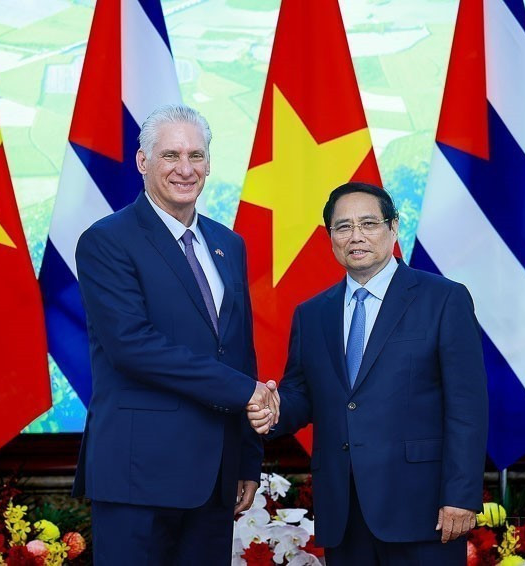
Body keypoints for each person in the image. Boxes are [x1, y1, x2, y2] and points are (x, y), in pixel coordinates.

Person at [73, 104, 278, 564]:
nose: (185, 169)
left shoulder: (228, 244)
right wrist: (246, 391)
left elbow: (238, 354)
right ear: (143, 161)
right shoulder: (106, 241)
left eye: (196, 155)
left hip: (215, 476)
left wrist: (247, 458)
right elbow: (132, 346)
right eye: (170, 155)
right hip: (138, 475)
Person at [248, 182, 488, 565]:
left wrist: (460, 495)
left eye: (368, 223)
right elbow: (303, 395)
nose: (356, 236)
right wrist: (272, 410)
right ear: (330, 237)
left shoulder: (443, 299)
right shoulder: (313, 314)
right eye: (343, 227)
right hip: (344, 512)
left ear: (393, 227)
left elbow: (467, 407)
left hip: (424, 509)